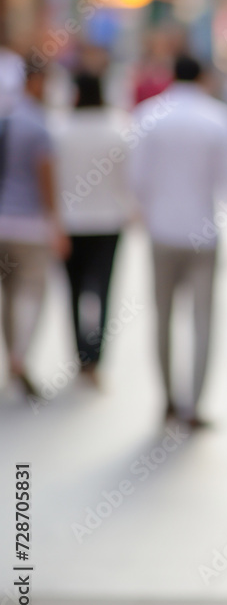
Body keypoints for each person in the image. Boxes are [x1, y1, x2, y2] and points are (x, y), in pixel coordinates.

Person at [130, 54, 227, 428]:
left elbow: (136, 178)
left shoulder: (148, 116)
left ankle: (167, 399)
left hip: (161, 233)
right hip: (203, 234)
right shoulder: (218, 118)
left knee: (162, 317)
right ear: (203, 77)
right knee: (203, 320)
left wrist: (147, 211)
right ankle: (195, 405)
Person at [52, 71, 132, 383]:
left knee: (72, 291)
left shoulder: (60, 129)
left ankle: (80, 355)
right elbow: (129, 177)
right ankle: (96, 357)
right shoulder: (118, 127)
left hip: (71, 222)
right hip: (109, 221)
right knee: (103, 288)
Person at [0, 64, 68, 397]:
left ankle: (13, 356)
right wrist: (55, 224)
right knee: (30, 294)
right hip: (29, 224)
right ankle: (19, 355)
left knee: (8, 296)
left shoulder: (7, 120)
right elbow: (47, 180)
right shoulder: (39, 126)